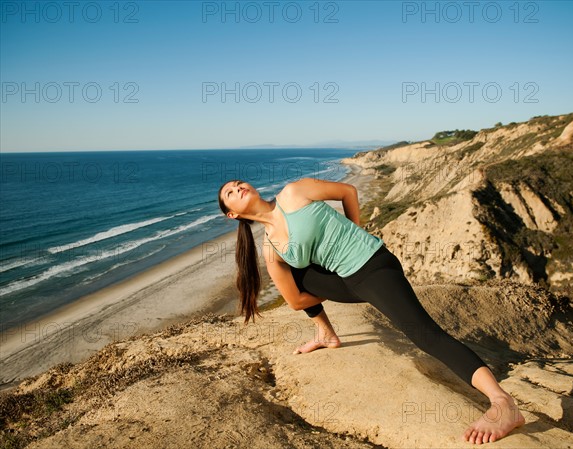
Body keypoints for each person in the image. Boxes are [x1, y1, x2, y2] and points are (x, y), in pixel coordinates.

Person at [217, 177, 525, 444]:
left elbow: (347, 191)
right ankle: (325, 332)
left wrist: (355, 234)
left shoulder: (293, 192)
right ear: (233, 214)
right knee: (294, 272)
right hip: (350, 283)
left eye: (238, 183)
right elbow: (296, 301)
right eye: (230, 192)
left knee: (425, 336)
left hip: (374, 267)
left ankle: (502, 403)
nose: (238, 187)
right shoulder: (272, 249)